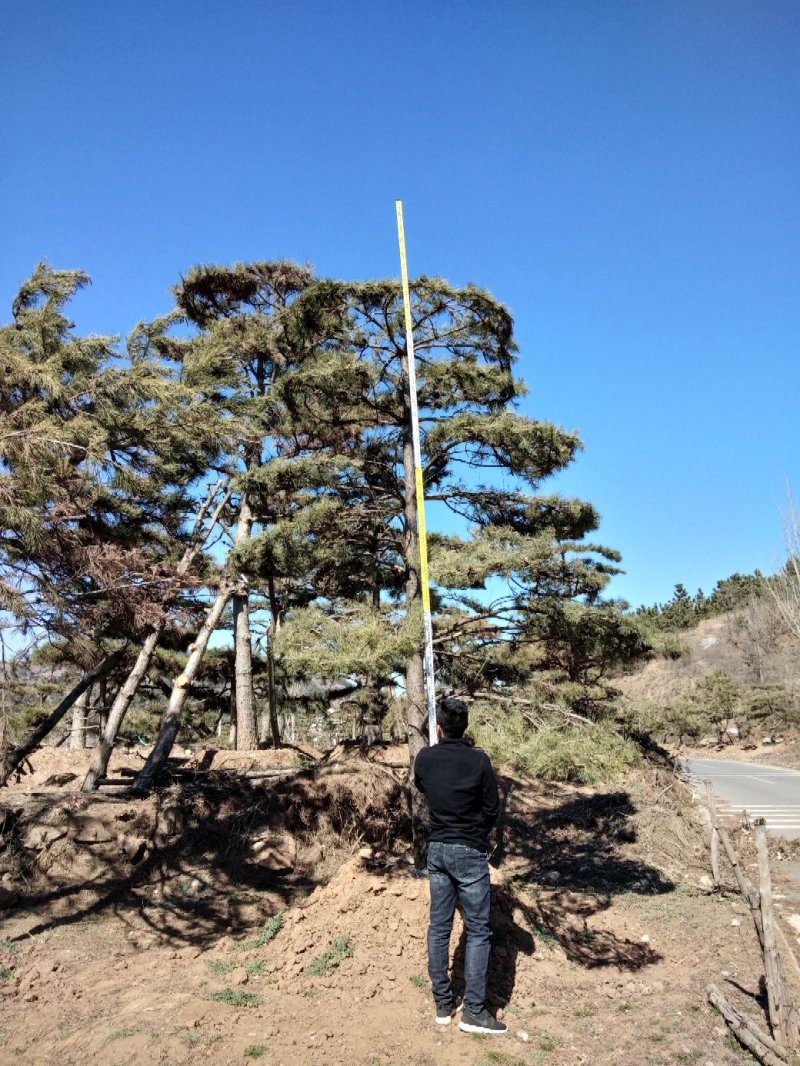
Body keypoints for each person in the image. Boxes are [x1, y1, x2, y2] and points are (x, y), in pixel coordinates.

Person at [413, 696, 507, 1035]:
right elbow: (492, 808)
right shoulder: (479, 761)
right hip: (469, 851)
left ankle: (443, 1003)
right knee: (479, 930)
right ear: (465, 726)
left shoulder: (424, 759)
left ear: (439, 727)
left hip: (437, 850)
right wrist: (477, 832)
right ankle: (475, 1013)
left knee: (439, 927)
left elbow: (422, 787)